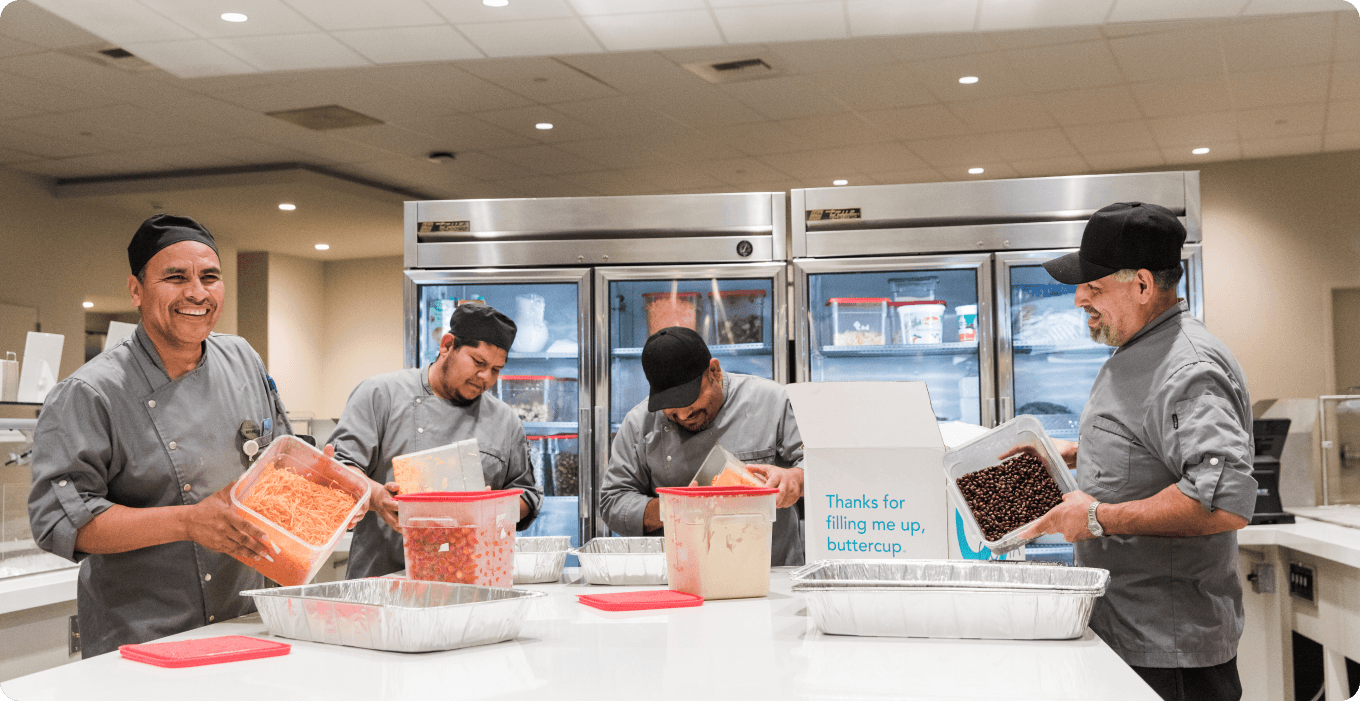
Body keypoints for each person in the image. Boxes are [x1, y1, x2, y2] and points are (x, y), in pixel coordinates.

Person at [27, 214, 312, 657]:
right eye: (175, 277)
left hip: (247, 623)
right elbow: (62, 522)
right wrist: (187, 522)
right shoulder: (90, 393)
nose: (197, 292)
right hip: (143, 637)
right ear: (136, 290)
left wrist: (337, 489)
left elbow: (278, 463)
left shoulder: (242, 358)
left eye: (210, 277)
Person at [1018, 202, 1256, 701]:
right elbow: (1152, 446)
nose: (1079, 298)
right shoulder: (1139, 350)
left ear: (1143, 285)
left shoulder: (1187, 367)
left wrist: (1100, 516)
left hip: (1169, 655)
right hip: (1125, 634)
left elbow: (1224, 503)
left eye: (1094, 286)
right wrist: (1075, 453)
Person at [332, 302, 542, 579]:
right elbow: (339, 468)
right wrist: (377, 497)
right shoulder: (380, 394)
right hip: (382, 583)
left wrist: (494, 507)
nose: (485, 378)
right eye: (478, 363)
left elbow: (527, 493)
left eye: (496, 369)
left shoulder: (505, 421)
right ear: (447, 345)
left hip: (471, 581)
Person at [600, 326, 806, 566]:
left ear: (714, 371)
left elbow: (821, 466)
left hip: (770, 572)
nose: (684, 414)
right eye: (671, 408)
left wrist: (795, 478)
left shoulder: (773, 401)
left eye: (689, 399)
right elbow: (613, 501)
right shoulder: (639, 424)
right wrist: (677, 506)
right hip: (683, 575)